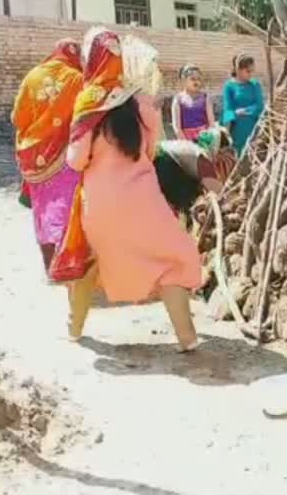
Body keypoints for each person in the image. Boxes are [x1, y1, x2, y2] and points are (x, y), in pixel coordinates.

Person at [64, 28, 201, 350]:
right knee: (171, 262)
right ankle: (188, 338)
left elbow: (75, 160)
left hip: (101, 205)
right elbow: (152, 152)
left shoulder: (87, 102)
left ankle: (74, 329)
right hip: (145, 202)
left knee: (91, 260)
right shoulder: (142, 102)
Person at [11, 38, 83, 274]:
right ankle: (66, 266)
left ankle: (49, 265)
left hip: (33, 156)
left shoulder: (32, 76)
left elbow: (16, 118)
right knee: (65, 206)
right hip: (63, 154)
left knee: (42, 210)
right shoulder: (77, 78)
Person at [154, 125, 237, 227]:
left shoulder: (192, 148)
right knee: (194, 202)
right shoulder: (203, 159)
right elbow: (218, 192)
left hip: (158, 159)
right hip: (164, 164)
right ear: (218, 151)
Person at [221, 55, 264, 157]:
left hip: (253, 127)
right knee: (238, 156)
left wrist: (243, 110)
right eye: (248, 71)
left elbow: (260, 106)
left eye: (252, 71)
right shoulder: (229, 86)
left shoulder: (255, 84)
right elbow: (228, 109)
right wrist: (227, 133)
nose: (251, 74)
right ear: (238, 70)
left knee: (253, 156)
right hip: (237, 129)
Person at [171, 64, 215, 142]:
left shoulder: (205, 97)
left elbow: (211, 123)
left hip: (204, 138)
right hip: (186, 139)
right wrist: (186, 144)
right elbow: (177, 127)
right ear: (184, 80)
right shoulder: (178, 99)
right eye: (192, 79)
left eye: (198, 79)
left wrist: (209, 139)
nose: (196, 81)